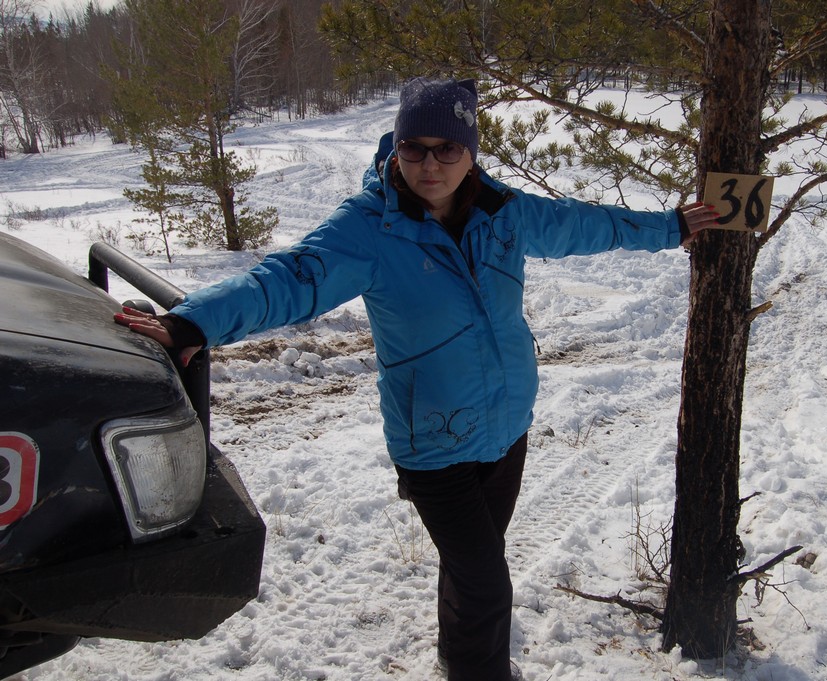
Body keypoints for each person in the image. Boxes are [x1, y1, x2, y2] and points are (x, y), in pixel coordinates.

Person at [115, 78, 719, 681]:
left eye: (447, 149)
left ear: (471, 152)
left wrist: (671, 227)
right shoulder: (369, 228)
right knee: (486, 582)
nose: (430, 165)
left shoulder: (503, 213)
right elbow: (288, 279)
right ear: (397, 148)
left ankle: (457, 658)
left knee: (470, 567)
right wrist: (192, 321)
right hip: (433, 442)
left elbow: (584, 224)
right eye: (414, 149)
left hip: (507, 429)